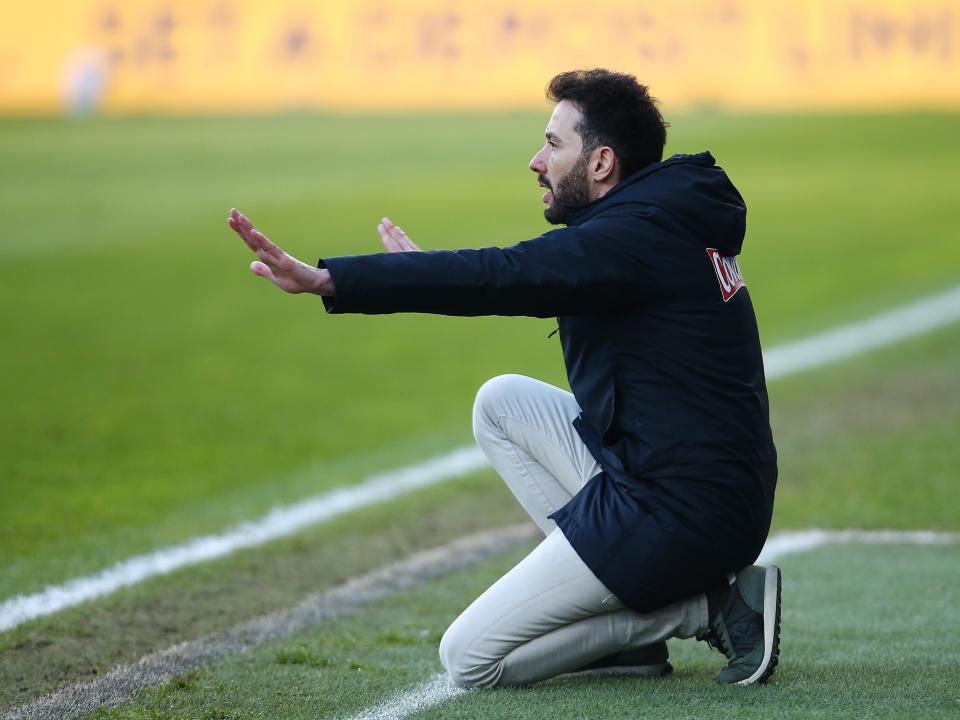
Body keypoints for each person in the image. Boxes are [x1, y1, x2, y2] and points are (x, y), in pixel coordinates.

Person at [227, 68, 781, 688]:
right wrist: (424, 275)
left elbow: (507, 272)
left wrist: (329, 279)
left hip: (681, 511)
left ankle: (698, 609)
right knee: (502, 406)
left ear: (601, 163)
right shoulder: (658, 216)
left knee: (470, 659)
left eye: (553, 143)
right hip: (699, 484)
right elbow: (530, 278)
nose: (536, 161)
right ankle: (634, 623)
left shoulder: (630, 237)